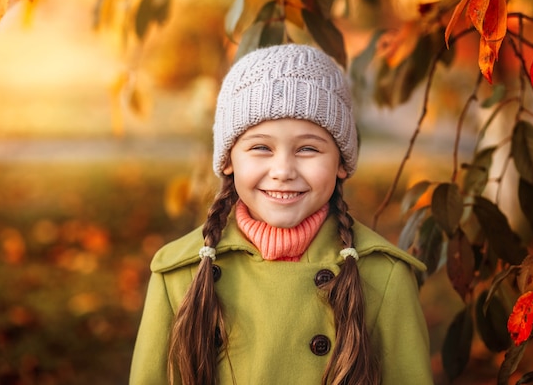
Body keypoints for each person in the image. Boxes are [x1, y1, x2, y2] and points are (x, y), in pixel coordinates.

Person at [129, 44, 433, 385]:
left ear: (342, 163)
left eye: (308, 149)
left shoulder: (384, 276)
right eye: (261, 147)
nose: (283, 170)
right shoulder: (178, 274)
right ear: (228, 161)